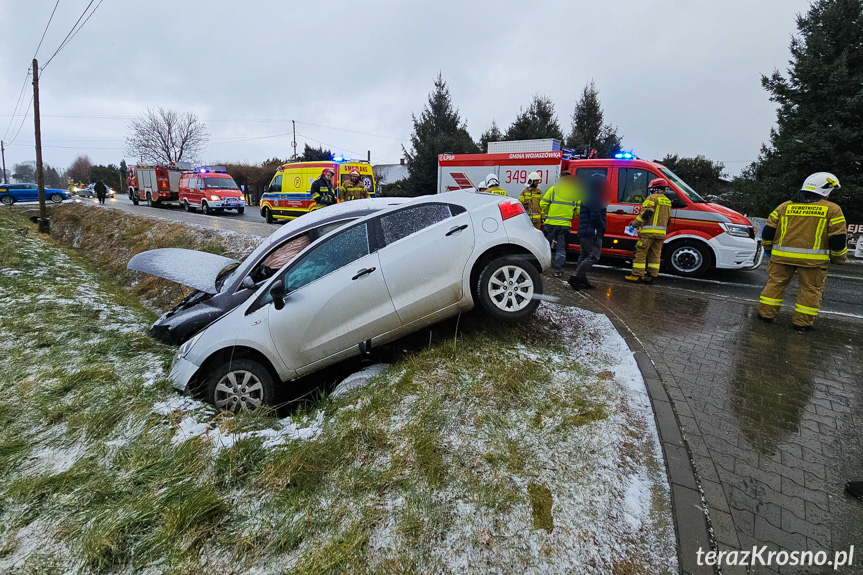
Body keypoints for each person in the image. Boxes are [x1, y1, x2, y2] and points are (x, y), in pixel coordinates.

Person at [757, 172, 846, 331]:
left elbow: (768, 232)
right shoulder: (832, 210)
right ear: (824, 190)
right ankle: (802, 323)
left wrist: (768, 250)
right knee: (810, 291)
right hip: (813, 262)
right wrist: (839, 258)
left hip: (780, 258)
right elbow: (837, 239)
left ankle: (766, 315)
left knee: (774, 285)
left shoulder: (784, 207)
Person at [624, 178, 673, 284]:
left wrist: (633, 225)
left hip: (648, 233)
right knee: (655, 254)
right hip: (661, 234)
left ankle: (636, 275)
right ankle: (651, 275)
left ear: (655, 188)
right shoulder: (667, 201)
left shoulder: (651, 198)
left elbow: (646, 214)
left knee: (640, 252)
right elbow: (668, 219)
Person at [568, 172, 607, 290]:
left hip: (585, 231)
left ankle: (581, 280)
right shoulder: (596, 197)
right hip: (592, 232)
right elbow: (595, 216)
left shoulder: (588, 195)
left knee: (584, 255)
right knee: (593, 256)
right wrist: (601, 227)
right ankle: (576, 276)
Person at [540, 171, 580, 277]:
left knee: (545, 245)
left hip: (551, 223)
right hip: (565, 225)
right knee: (561, 248)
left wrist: (549, 213)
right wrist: (571, 215)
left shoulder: (553, 189)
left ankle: (540, 266)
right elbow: (578, 210)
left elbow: (542, 204)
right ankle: (558, 270)